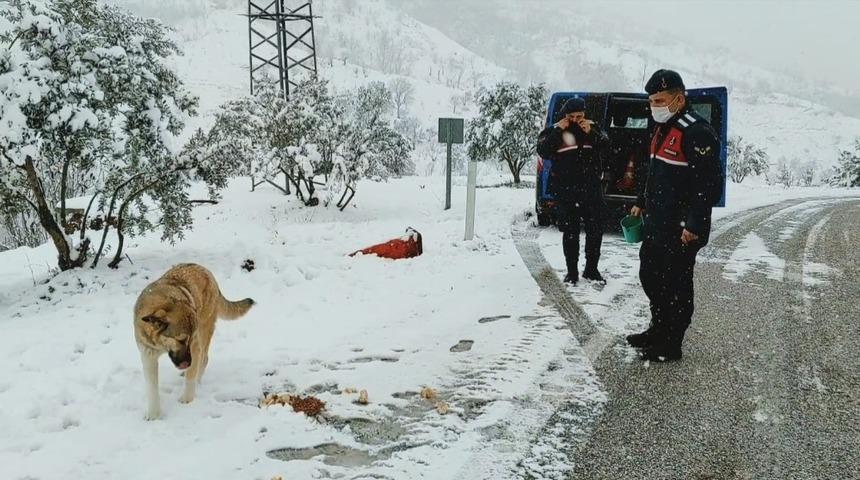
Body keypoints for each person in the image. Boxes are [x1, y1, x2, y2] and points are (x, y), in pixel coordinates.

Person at [626, 69, 724, 361]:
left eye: (659, 100)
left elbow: (708, 186)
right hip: (658, 222)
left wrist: (694, 223)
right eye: (651, 101)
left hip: (682, 227)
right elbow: (655, 173)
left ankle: (671, 342)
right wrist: (641, 201)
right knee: (651, 275)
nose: (653, 106)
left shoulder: (697, 132)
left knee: (676, 284)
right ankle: (658, 327)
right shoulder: (662, 128)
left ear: (679, 99)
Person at [536, 97, 609, 285]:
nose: (575, 120)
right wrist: (559, 128)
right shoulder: (555, 130)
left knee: (595, 231)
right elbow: (543, 150)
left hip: (591, 189)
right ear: (564, 116)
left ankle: (591, 270)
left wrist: (591, 132)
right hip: (566, 191)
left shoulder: (593, 128)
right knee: (570, 233)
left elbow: (607, 147)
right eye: (571, 116)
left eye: (579, 116)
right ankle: (572, 272)